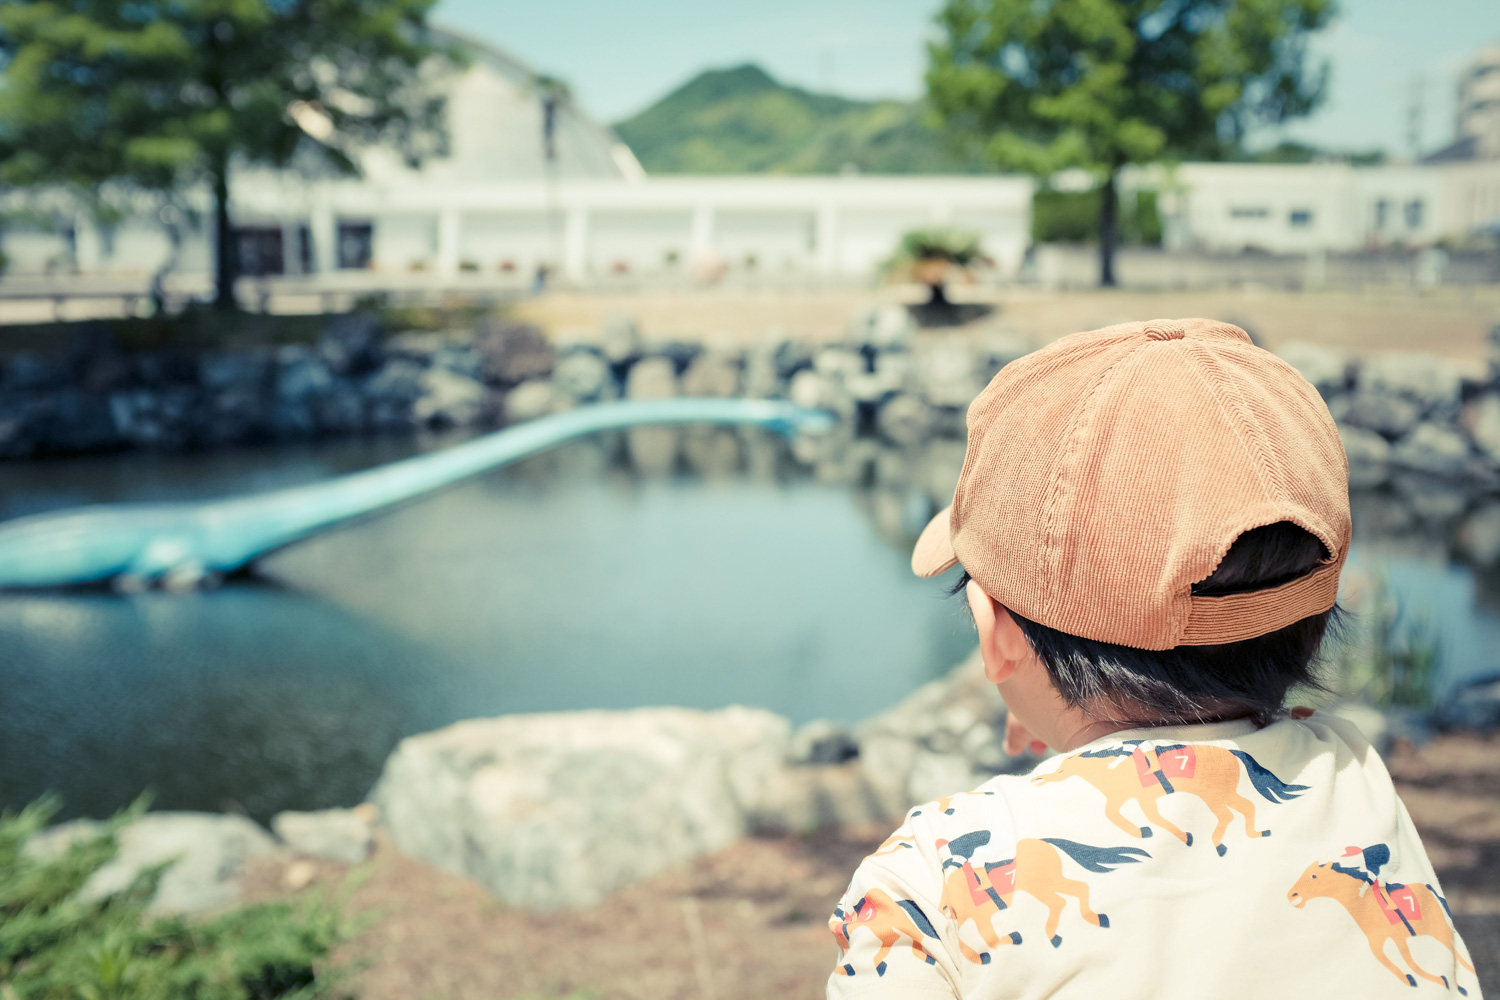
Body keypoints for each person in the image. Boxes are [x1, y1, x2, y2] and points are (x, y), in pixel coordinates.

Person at [827, 319, 1480, 999]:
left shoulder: (931, 879)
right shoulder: (1354, 784)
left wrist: (1065, 733)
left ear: (997, 634)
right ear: (1316, 623)